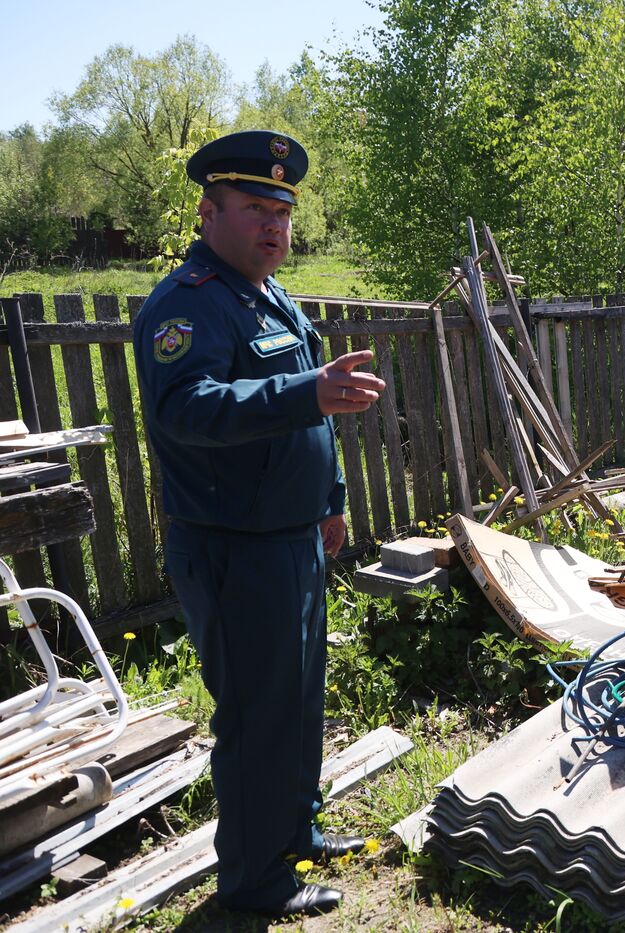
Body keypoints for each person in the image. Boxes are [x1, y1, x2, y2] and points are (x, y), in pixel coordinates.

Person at [133, 130, 386, 919]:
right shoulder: (188, 304)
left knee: (299, 699)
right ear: (209, 212)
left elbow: (318, 419)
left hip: (294, 537)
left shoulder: (273, 298)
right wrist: (302, 393)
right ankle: (252, 882)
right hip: (232, 549)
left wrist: (333, 496)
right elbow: (187, 410)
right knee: (255, 716)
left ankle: (297, 831)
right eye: (254, 208)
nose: (273, 225)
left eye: (282, 209)